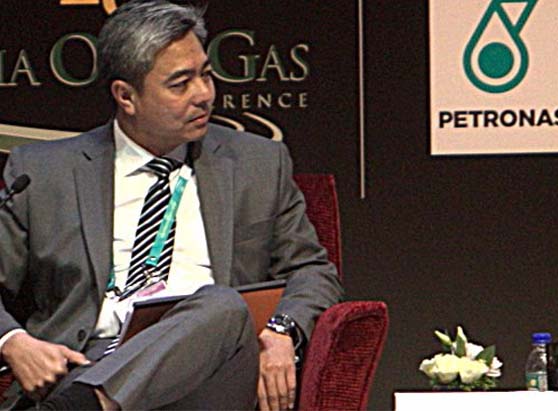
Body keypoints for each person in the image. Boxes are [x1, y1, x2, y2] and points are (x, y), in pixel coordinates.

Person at [0, 1, 343, 410]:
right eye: (181, 84)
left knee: (222, 304)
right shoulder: (43, 172)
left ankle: (85, 407)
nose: (204, 95)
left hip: (214, 368)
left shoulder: (258, 164)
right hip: (86, 362)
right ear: (126, 96)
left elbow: (312, 271)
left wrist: (283, 330)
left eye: (206, 75)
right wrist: (12, 341)